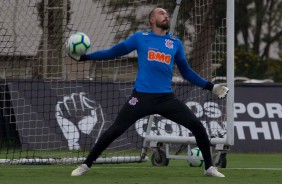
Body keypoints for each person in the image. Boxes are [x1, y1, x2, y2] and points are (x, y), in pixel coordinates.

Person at [68, 7, 228, 177]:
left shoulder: (175, 43)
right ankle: (86, 164)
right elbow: (113, 52)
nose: (165, 15)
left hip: (166, 99)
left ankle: (209, 168)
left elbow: (186, 72)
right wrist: (86, 57)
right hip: (141, 97)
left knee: (197, 126)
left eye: (166, 14)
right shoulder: (140, 38)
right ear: (152, 19)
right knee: (115, 130)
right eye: (161, 13)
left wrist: (210, 86)